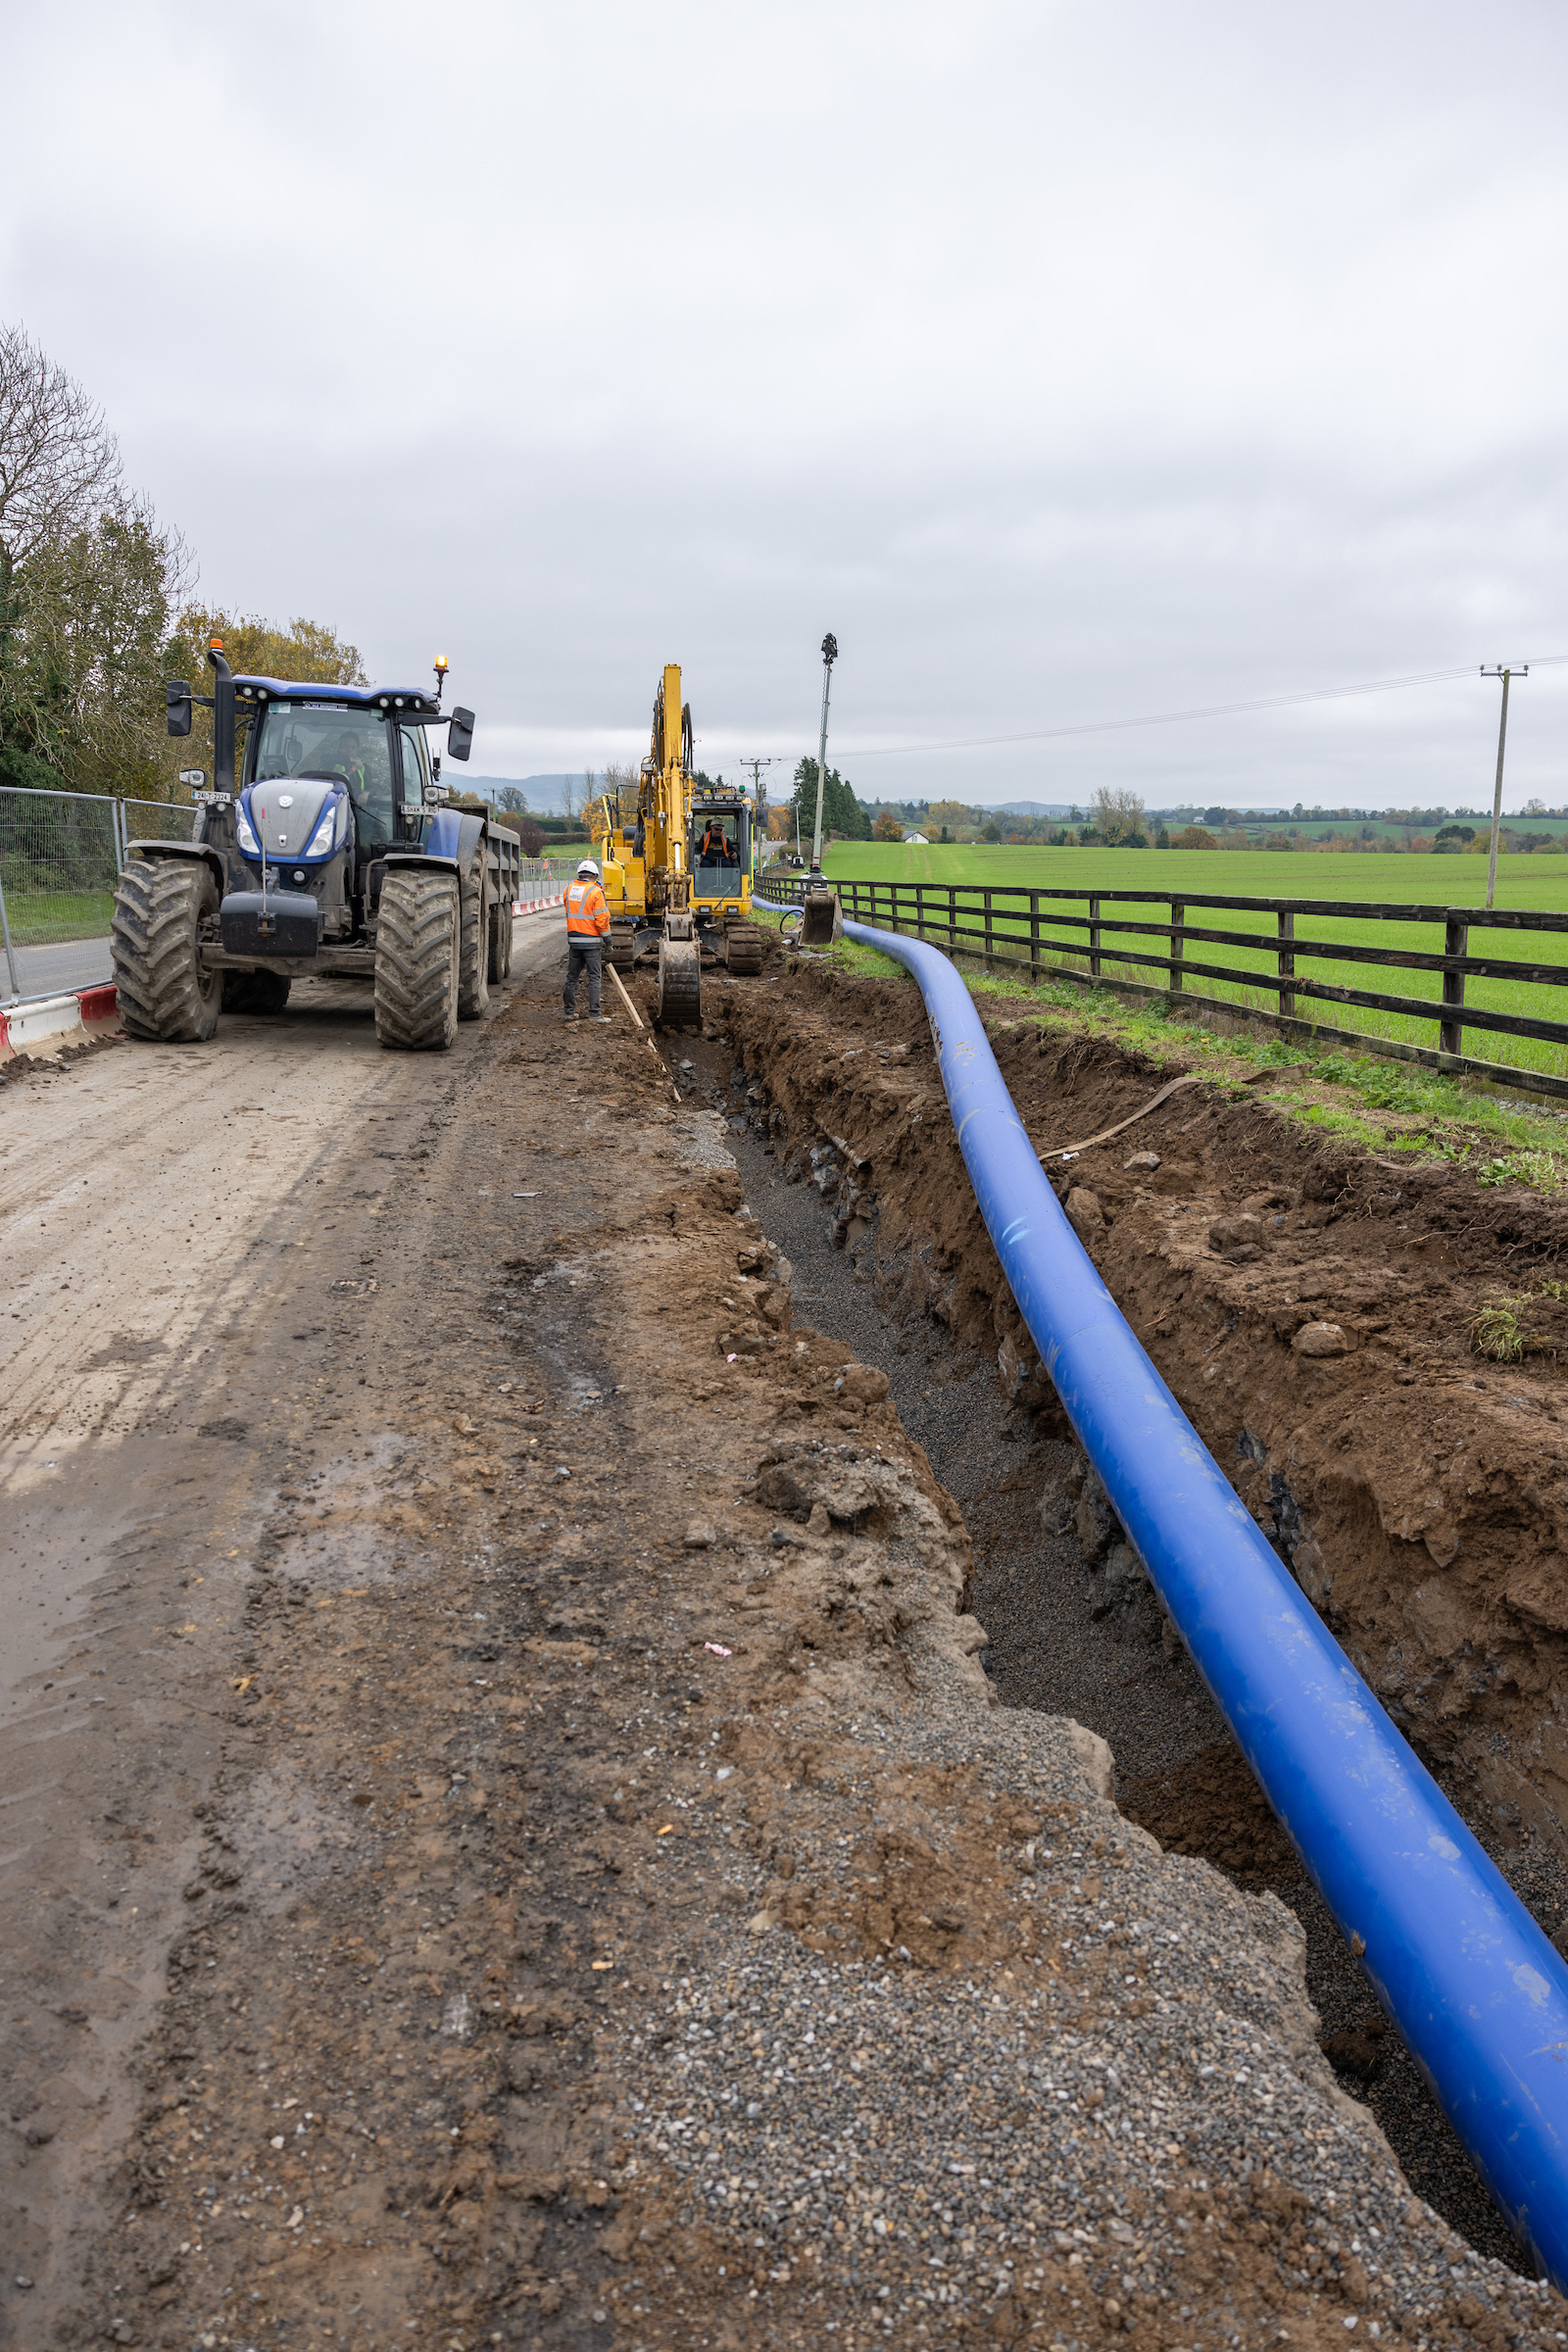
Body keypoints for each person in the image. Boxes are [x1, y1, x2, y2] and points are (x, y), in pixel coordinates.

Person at [564, 858, 612, 1023]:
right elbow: (601, 919)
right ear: (595, 875)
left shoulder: (568, 890)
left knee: (572, 977)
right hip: (591, 942)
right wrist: (608, 939)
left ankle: (569, 1012)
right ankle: (595, 1014)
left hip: (574, 941)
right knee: (594, 977)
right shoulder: (596, 892)